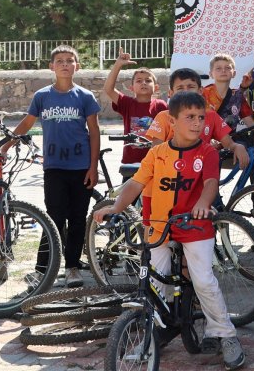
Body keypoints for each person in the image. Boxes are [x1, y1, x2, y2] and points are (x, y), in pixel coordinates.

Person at [92, 91, 245, 370]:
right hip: (160, 225)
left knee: (203, 281)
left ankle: (225, 334)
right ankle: (155, 330)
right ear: (171, 121)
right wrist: (115, 208)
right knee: (153, 281)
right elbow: (135, 185)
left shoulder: (207, 151)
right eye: (190, 117)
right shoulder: (157, 153)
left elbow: (211, 183)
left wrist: (202, 203)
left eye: (201, 117)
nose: (198, 123)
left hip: (195, 225)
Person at [10, 45, 101, 289]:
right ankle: (42, 270)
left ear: (76, 66)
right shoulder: (42, 96)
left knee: (78, 219)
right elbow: (27, 123)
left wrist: (93, 168)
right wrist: (7, 143)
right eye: (59, 61)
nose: (64, 64)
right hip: (54, 168)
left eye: (69, 61)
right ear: (51, 66)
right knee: (54, 218)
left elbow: (94, 131)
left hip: (81, 167)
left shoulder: (85, 97)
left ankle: (72, 267)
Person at [144, 68, 247, 168]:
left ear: (200, 90)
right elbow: (155, 152)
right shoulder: (163, 117)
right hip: (170, 175)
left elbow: (229, 144)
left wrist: (237, 147)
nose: (186, 92)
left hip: (202, 174)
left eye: (190, 87)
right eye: (180, 88)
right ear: (171, 93)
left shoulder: (211, 116)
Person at [101, 47, 166, 171]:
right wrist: (118, 65)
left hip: (156, 164)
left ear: (156, 87)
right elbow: (108, 89)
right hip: (131, 164)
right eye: (139, 81)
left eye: (148, 80)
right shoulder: (127, 103)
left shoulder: (161, 106)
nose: (143, 83)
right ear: (131, 87)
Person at [202, 53, 254, 125]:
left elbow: (251, 124)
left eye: (228, 68)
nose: (223, 70)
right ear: (211, 74)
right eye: (218, 68)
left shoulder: (238, 96)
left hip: (230, 136)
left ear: (234, 73)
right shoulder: (203, 94)